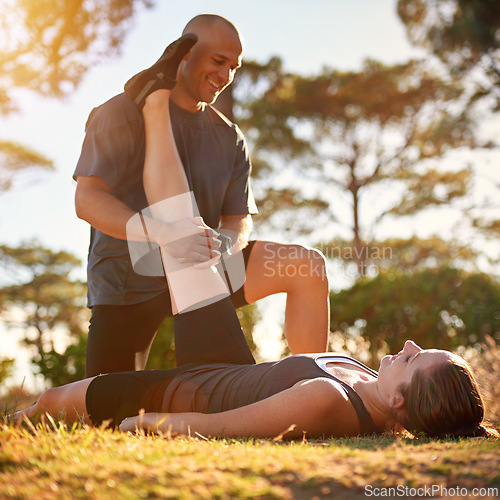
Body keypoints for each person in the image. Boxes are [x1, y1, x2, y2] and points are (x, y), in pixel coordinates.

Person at [73, 13, 330, 378]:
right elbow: (87, 200)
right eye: (218, 62)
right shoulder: (119, 112)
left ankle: (314, 386)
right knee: (109, 410)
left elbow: (238, 219)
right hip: (127, 282)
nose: (226, 76)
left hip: (201, 262)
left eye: (234, 67)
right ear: (185, 55)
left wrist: (225, 247)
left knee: (307, 266)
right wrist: (161, 233)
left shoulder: (230, 138)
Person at [8, 339, 496, 440]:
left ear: (398, 402)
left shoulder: (330, 401)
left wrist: (147, 423)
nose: (408, 344)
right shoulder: (363, 378)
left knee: (50, 405)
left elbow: (219, 428)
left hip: (173, 395)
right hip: (209, 367)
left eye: (412, 359)